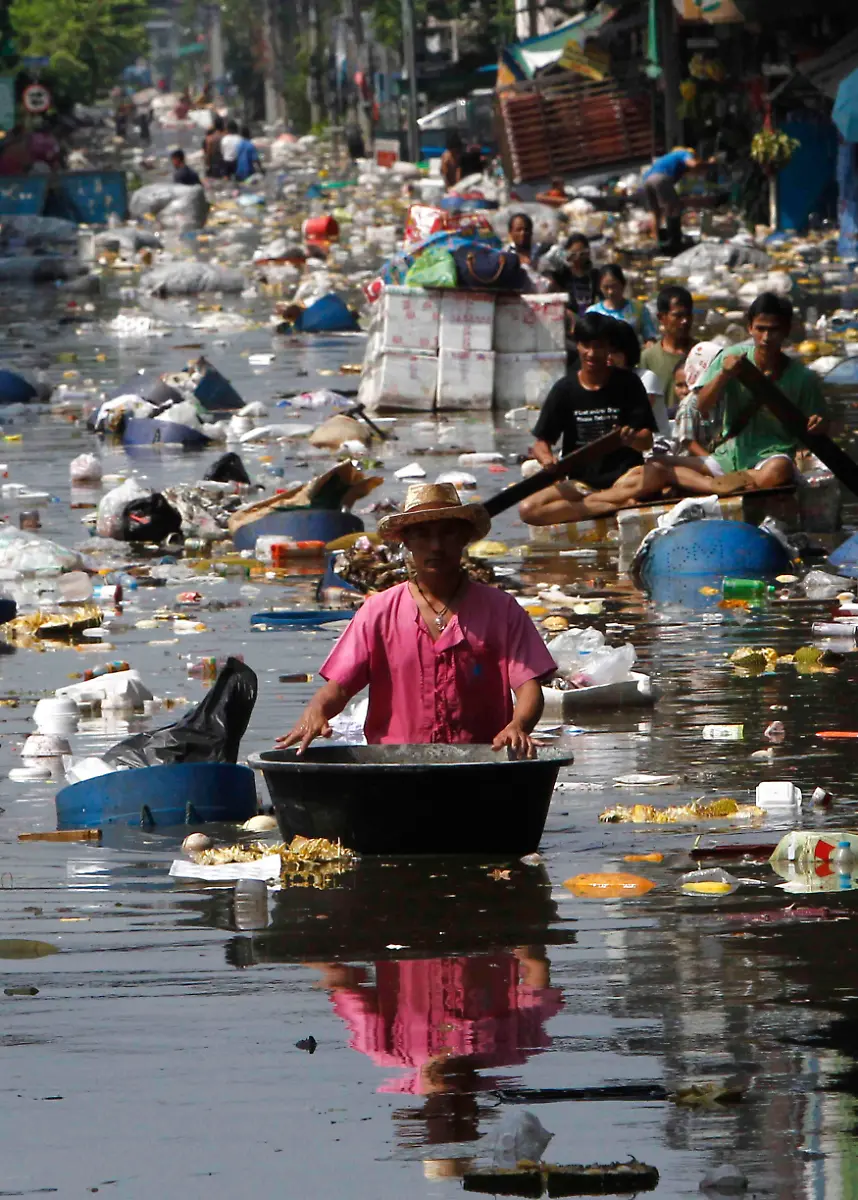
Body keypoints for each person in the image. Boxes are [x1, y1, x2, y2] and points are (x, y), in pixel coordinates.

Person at [277, 483, 556, 757]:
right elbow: (338, 687)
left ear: (464, 538)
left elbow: (528, 687)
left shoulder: (501, 609)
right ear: (407, 541)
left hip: (480, 762)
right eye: (423, 535)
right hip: (395, 766)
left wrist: (518, 726)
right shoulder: (379, 611)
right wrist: (316, 711)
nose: (436, 546)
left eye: (447, 534)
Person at [652, 293, 829, 496]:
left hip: (770, 457)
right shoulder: (730, 357)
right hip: (729, 456)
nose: (766, 337)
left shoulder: (803, 377)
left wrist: (819, 424)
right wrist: (724, 374)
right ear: (750, 328)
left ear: (786, 330)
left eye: (773, 330)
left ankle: (721, 484)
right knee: (657, 463)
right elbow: (702, 406)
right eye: (760, 329)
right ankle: (725, 484)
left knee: (780, 469)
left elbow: (821, 425)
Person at [518, 312, 661, 527]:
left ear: (608, 349)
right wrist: (547, 460)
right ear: (578, 346)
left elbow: (647, 440)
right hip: (581, 483)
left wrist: (630, 439)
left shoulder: (629, 383)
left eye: (598, 346)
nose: (592, 353)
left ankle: (601, 503)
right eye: (586, 345)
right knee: (528, 509)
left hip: (626, 478)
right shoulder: (564, 390)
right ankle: (610, 504)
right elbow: (541, 443)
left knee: (658, 473)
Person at [642, 146, 714, 253]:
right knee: (674, 210)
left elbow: (693, 170)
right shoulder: (683, 153)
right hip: (660, 179)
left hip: (646, 181)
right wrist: (709, 163)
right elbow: (694, 164)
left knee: (656, 213)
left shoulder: (669, 159)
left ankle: (658, 245)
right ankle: (675, 244)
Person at [605, 317, 669, 437]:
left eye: (614, 352)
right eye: (605, 351)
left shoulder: (646, 378)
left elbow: (636, 421)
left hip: (655, 446)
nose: (609, 357)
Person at [640, 285, 695, 414]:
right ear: (661, 318)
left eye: (688, 315)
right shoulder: (648, 358)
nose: (685, 321)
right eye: (678, 316)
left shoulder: (700, 353)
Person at [670, 341, 721, 458]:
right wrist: (712, 463)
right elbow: (687, 441)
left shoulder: (722, 399)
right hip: (691, 462)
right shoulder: (689, 405)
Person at [587, 264, 658, 342]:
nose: (610, 292)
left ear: (623, 284)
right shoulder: (593, 312)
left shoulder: (639, 309)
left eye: (614, 286)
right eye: (606, 287)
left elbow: (650, 337)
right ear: (599, 288)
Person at [541, 232, 600, 321]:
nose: (578, 258)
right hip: (568, 320)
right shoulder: (561, 275)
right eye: (574, 254)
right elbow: (543, 265)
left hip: (590, 321)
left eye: (582, 254)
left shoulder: (594, 275)